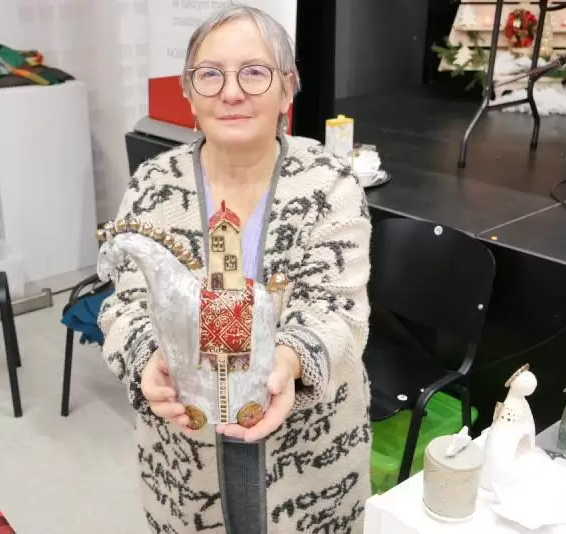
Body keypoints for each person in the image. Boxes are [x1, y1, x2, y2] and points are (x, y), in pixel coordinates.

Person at [99, 5, 372, 534]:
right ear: (188, 91)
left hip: (310, 455)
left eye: (254, 72)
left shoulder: (328, 183)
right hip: (185, 453)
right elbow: (126, 304)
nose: (231, 92)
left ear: (287, 88)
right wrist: (147, 359)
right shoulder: (154, 186)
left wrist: (288, 363)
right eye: (210, 74)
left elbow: (337, 310)